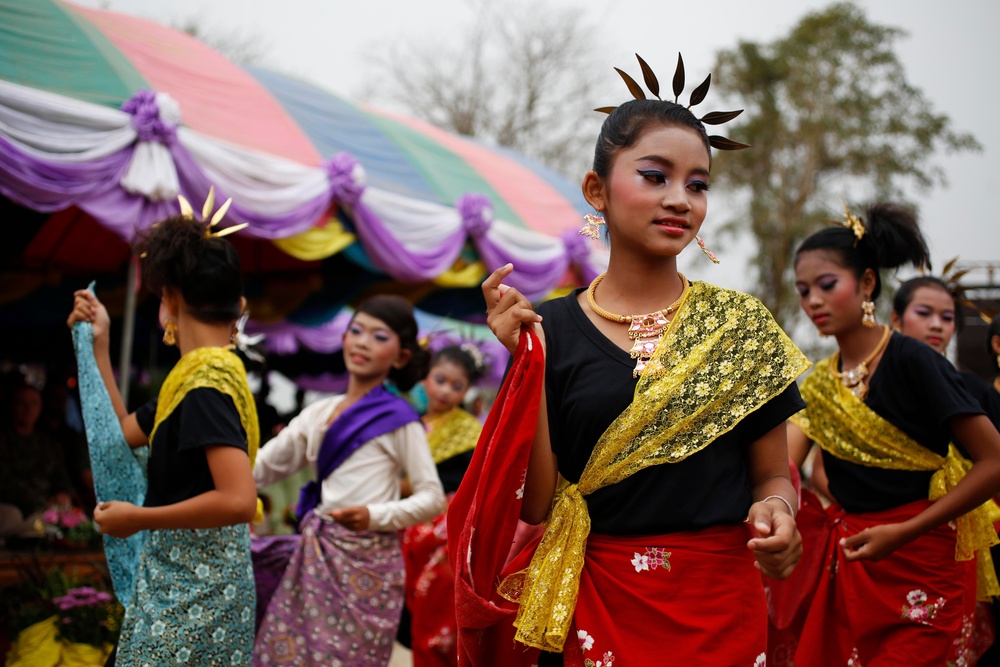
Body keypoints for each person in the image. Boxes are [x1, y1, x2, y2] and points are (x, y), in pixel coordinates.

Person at [462, 53, 811, 666]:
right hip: (597, 602)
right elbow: (540, 503)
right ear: (596, 188)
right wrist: (526, 363)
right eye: (655, 176)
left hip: (718, 609)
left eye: (697, 184)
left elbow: (772, 476)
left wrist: (778, 513)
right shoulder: (552, 329)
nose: (680, 198)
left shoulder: (740, 327)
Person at [787, 202, 1000, 665]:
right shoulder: (822, 380)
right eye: (803, 291)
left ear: (866, 282)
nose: (813, 302)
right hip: (855, 563)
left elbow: (994, 462)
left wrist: (904, 531)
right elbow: (781, 465)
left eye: (826, 285)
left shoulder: (913, 360)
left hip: (920, 558)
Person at [67, 203, 261, 667]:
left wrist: (138, 518)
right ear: (238, 307)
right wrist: (100, 343)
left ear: (170, 298)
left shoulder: (204, 387)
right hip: (191, 588)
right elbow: (121, 435)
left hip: (197, 597)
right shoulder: (196, 379)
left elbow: (238, 500)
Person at [252, 294, 446, 667]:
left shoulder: (400, 419)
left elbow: (432, 497)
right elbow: (261, 468)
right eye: (355, 331)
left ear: (401, 356)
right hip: (317, 557)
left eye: (378, 336)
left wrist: (372, 517)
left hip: (368, 566)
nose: (361, 342)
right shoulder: (318, 413)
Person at [402, 344, 485, 666]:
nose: (446, 391)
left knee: (438, 609)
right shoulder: (408, 422)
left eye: (457, 386)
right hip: (402, 522)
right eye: (440, 380)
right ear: (424, 378)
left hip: (443, 532)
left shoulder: (469, 432)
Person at [0, 383, 75, 539]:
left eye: (34, 403)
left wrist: (62, 495)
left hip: (43, 510)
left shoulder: (48, 443)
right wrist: (41, 500)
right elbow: (5, 482)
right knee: (12, 516)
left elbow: (61, 479)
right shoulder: (4, 440)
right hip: (11, 507)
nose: (28, 409)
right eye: (22, 403)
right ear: (12, 405)